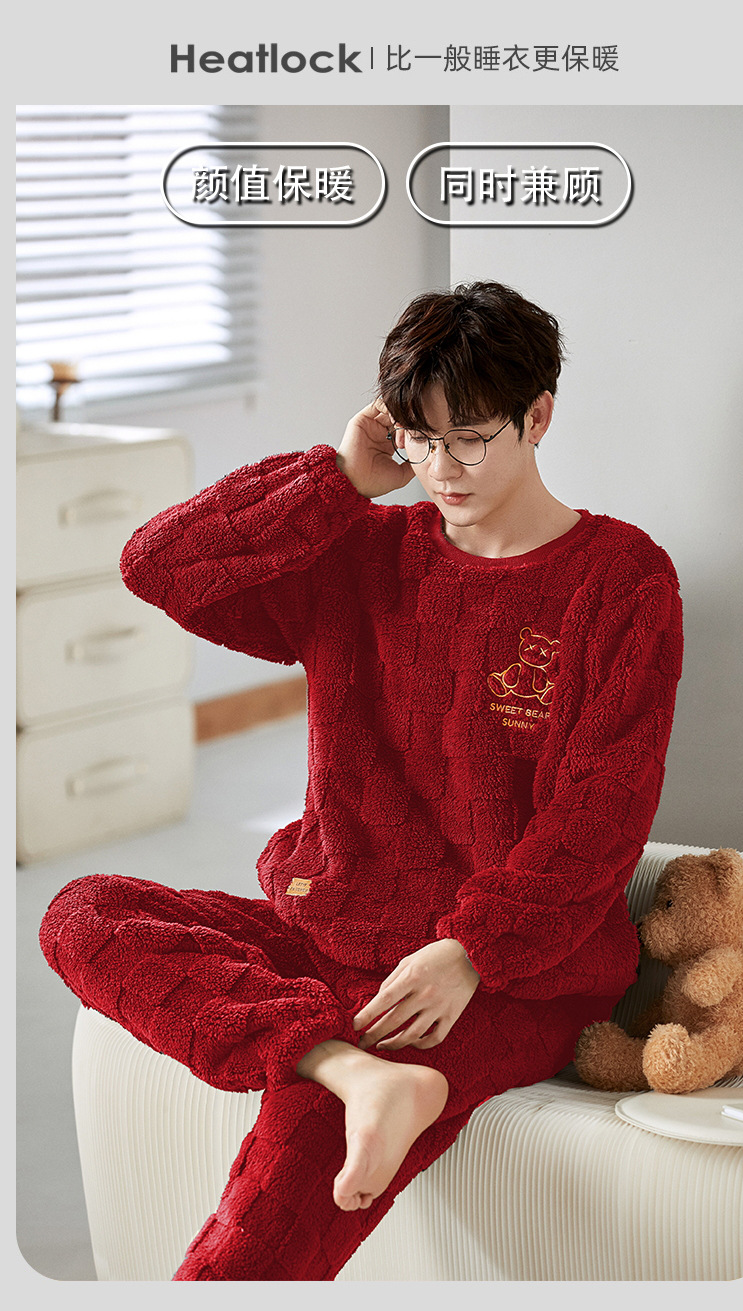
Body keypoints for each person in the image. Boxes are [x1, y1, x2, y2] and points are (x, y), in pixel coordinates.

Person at [39, 281, 683, 1280]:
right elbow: (157, 564)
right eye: (418, 439)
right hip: (328, 934)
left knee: (281, 1191)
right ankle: (342, 1065)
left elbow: (600, 813)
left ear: (538, 417)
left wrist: (470, 951)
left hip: (501, 981)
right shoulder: (360, 553)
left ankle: (345, 1077)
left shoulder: (621, 580)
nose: (442, 470)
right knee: (82, 910)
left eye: (470, 439)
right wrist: (336, 478)